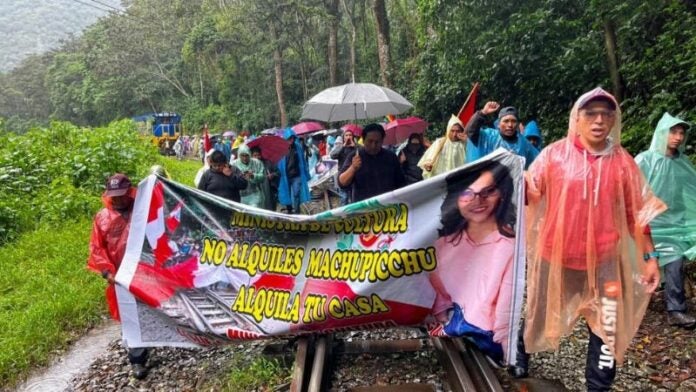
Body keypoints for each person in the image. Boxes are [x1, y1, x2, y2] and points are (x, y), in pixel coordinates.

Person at [524, 88, 665, 391]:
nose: (599, 120)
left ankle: (599, 384)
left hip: (605, 265)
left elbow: (637, 216)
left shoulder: (623, 163)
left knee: (608, 324)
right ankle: (520, 356)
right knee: (537, 312)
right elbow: (528, 192)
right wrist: (514, 180)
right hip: (556, 257)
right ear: (577, 118)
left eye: (606, 114)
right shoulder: (554, 155)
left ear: (614, 119)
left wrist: (650, 259)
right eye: (591, 113)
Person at [429, 161, 517, 363]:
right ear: (455, 199)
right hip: (447, 326)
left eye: (489, 191)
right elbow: (436, 294)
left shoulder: (509, 246)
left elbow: (506, 307)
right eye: (467, 193)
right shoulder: (442, 244)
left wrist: (506, 346)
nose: (478, 200)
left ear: (502, 194)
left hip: (487, 337)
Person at [635, 112, 696, 329]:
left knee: (675, 264)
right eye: (673, 131)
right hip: (649, 224)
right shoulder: (645, 159)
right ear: (663, 133)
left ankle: (676, 310)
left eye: (681, 133)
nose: (678, 137)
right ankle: (634, 305)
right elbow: (632, 189)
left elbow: (690, 190)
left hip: (675, 225)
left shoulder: (683, 163)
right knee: (639, 264)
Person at [87, 173, 149, 379]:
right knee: (129, 316)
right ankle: (137, 360)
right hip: (120, 276)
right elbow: (97, 248)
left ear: (130, 192)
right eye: (115, 196)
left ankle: (149, 341)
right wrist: (107, 272)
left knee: (148, 310)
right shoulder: (102, 217)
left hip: (145, 272)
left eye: (122, 195)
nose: (119, 199)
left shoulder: (143, 210)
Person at [338, 123, 406, 202]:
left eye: (377, 142)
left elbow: (401, 183)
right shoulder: (354, 156)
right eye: (370, 141)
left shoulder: (391, 157)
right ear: (363, 140)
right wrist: (353, 168)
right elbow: (342, 183)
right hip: (364, 208)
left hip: (389, 206)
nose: (373, 146)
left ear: (382, 141)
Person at [465, 102, 539, 168]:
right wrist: (483, 112)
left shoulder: (524, 143)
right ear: (499, 124)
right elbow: (470, 131)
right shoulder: (489, 136)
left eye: (513, 121)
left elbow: (538, 162)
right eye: (506, 121)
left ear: (517, 124)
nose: (510, 125)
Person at [277, 128, 311, 214]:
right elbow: (279, 162)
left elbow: (302, 160)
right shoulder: (281, 148)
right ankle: (289, 210)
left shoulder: (298, 147)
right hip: (285, 175)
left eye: (292, 138)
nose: (291, 140)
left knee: (296, 193)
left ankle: (296, 211)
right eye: (289, 138)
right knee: (287, 192)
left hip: (296, 175)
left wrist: (306, 173)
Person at [231, 144, 266, 208]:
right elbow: (230, 178)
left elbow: (263, 177)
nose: (245, 158)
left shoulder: (257, 163)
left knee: (255, 214)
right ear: (239, 155)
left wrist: (253, 176)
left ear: (249, 154)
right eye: (242, 155)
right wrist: (240, 177)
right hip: (240, 196)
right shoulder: (233, 164)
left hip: (255, 194)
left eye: (246, 155)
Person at [330, 129, 359, 205]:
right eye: (346, 135)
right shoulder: (340, 147)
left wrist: (355, 146)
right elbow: (332, 155)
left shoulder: (356, 147)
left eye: (350, 135)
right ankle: (343, 215)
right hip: (342, 175)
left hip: (354, 174)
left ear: (353, 137)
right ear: (343, 137)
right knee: (344, 197)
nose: (348, 137)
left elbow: (362, 152)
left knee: (353, 196)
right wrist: (343, 146)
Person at [251, 146, 280, 212]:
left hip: (268, 192)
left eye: (258, 155)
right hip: (255, 193)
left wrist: (272, 175)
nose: (257, 157)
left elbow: (278, 172)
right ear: (251, 156)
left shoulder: (267, 163)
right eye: (254, 155)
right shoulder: (249, 166)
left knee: (270, 210)